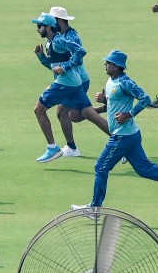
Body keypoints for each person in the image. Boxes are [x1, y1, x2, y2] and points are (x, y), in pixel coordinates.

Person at [71, 50, 158, 212]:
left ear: (117, 66)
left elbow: (145, 98)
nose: (105, 64)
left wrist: (129, 115)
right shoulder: (110, 82)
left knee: (101, 167)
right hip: (131, 135)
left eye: (108, 62)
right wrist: (103, 103)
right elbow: (113, 107)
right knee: (145, 169)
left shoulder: (125, 82)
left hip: (122, 136)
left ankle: (95, 208)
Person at [32, 12, 109, 164]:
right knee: (90, 115)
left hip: (65, 83)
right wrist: (41, 57)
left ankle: (52, 148)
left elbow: (81, 51)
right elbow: (54, 67)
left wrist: (65, 66)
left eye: (39, 26)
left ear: (48, 27)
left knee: (38, 109)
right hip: (73, 83)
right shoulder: (50, 43)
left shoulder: (59, 40)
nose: (37, 29)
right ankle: (122, 144)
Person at [48, 6, 93, 157]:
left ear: (59, 20)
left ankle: (72, 147)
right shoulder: (62, 35)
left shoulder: (70, 36)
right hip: (73, 80)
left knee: (62, 113)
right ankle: (72, 147)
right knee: (75, 116)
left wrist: (64, 67)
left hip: (77, 80)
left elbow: (79, 56)